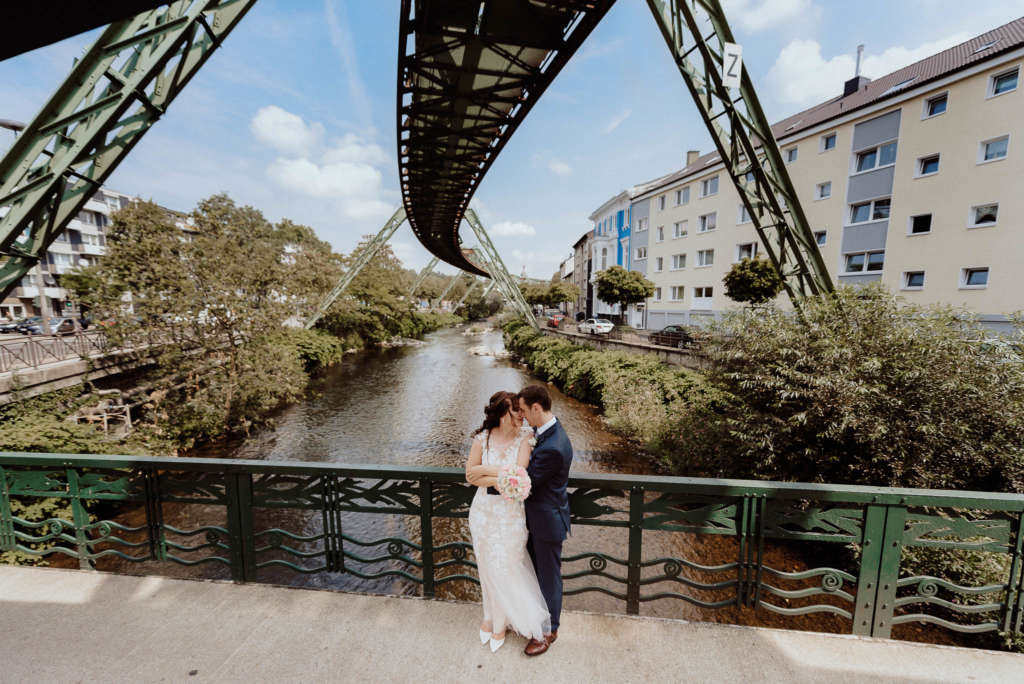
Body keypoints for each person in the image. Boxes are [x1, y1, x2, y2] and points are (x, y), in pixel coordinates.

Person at [465, 391, 551, 653]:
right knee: (487, 567)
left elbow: (521, 475)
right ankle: (489, 616)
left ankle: (501, 623)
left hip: (510, 516)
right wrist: (504, 474)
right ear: (504, 413)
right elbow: (470, 475)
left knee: (505, 567)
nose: (522, 418)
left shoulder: (526, 438)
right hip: (482, 513)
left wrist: (488, 472)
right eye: (517, 413)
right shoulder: (482, 438)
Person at [518, 383, 572, 656]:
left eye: (525, 411)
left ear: (537, 408)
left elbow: (526, 482)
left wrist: (489, 485)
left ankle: (550, 631)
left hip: (547, 521)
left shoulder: (554, 447)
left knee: (548, 577)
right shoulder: (546, 431)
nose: (523, 417)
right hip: (540, 517)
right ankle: (536, 619)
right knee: (538, 574)